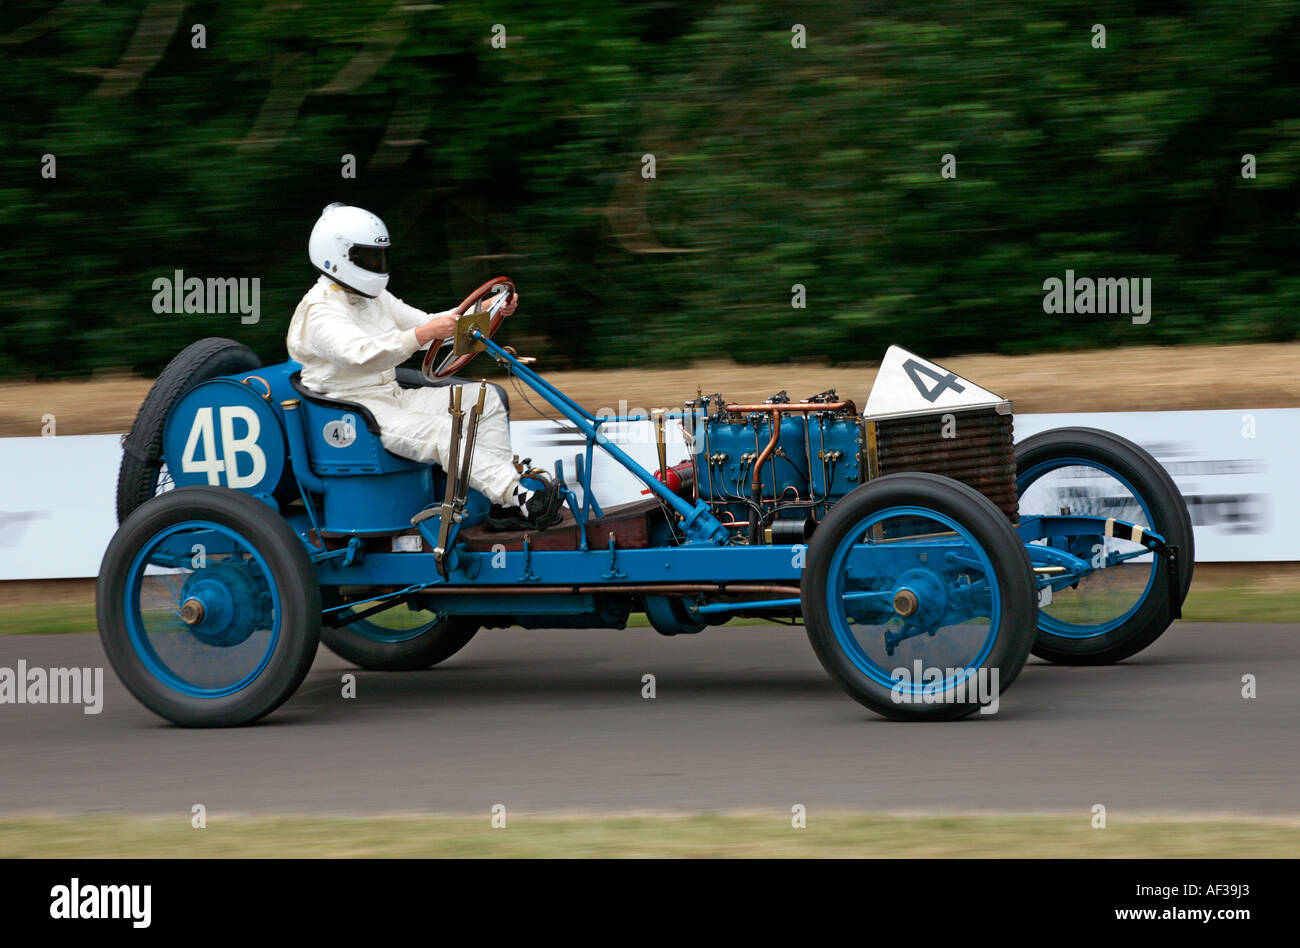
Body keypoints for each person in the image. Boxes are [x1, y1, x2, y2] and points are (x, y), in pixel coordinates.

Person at [286, 202, 561, 530]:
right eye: (369, 258)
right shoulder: (318, 312)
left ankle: (504, 507)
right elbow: (360, 354)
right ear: (338, 256)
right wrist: (420, 336)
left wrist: (488, 309)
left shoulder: (374, 298)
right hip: (357, 414)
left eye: (380, 257)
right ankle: (517, 495)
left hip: (391, 398)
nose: (377, 265)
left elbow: (431, 326)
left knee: (482, 400)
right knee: (445, 430)